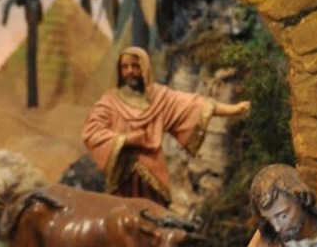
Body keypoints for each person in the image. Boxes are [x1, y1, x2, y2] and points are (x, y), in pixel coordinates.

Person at [83, 45, 251, 206]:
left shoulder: (159, 97)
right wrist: (124, 139)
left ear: (145, 68)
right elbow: (92, 131)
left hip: (153, 175)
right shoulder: (110, 101)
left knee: (154, 216)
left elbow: (194, 105)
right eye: (124, 67)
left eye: (135, 66)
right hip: (122, 177)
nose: (129, 71)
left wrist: (233, 109)